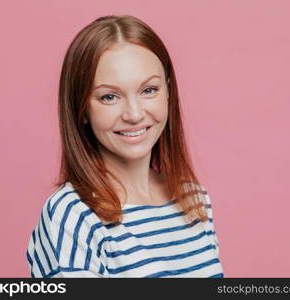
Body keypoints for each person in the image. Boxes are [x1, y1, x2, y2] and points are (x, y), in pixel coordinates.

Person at [26, 14, 224, 278]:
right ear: (82, 109)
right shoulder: (73, 214)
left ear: (168, 92)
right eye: (109, 96)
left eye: (148, 90)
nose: (133, 113)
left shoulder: (194, 199)